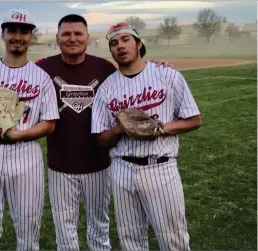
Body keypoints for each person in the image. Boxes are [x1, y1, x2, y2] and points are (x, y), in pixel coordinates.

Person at [0, 15, 173, 251]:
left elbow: (134, 76)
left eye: (78, 34)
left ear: (88, 39)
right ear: (57, 39)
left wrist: (158, 66)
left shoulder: (105, 68)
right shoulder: (43, 69)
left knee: (99, 227)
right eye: (66, 34)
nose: (72, 38)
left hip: (99, 162)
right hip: (60, 164)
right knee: (64, 230)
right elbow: (16, 73)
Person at [91, 22, 202, 251]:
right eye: (114, 43)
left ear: (139, 44)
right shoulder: (106, 89)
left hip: (160, 167)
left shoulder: (167, 75)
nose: (120, 46)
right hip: (122, 169)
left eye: (125, 40)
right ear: (110, 51)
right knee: (130, 240)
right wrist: (120, 129)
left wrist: (160, 129)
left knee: (174, 240)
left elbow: (194, 119)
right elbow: (101, 140)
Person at [0, 8, 60, 251]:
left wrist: (19, 134)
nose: (18, 36)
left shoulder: (41, 77)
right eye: (12, 30)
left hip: (27, 154)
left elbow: (49, 123)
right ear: (3, 34)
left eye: (24, 31)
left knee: (28, 227)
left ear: (30, 37)